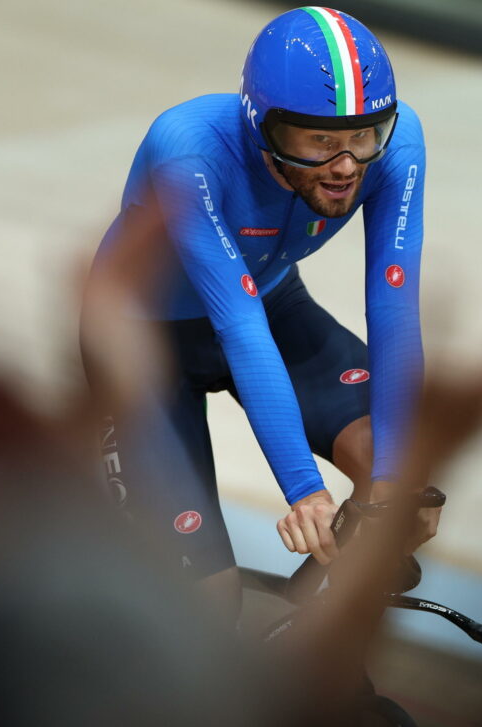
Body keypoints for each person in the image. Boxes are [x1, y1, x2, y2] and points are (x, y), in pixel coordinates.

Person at [80, 7, 434, 603]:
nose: (345, 165)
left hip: (272, 304)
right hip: (141, 344)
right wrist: (304, 490)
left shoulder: (396, 143)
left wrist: (397, 479)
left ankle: (317, 634)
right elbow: (238, 325)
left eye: (360, 137)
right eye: (320, 141)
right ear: (262, 126)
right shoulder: (189, 148)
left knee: (397, 474)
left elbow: (395, 310)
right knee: (208, 604)